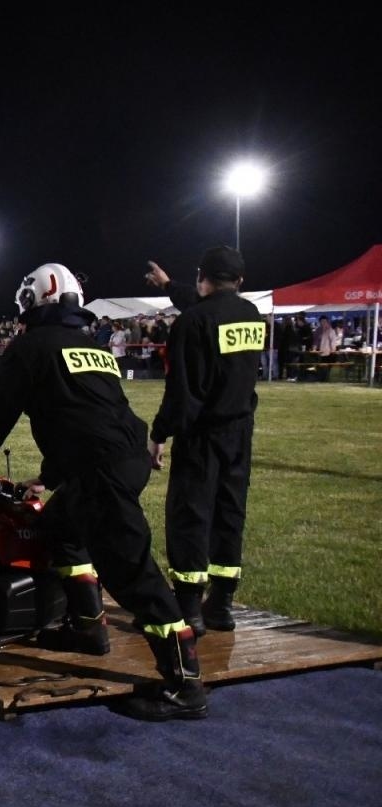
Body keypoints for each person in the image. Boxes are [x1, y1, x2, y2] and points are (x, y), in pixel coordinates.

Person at [0, 262, 206, 721]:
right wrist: (51, 477)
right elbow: (79, 414)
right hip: (121, 457)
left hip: (100, 470)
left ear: (37, 299)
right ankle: (88, 628)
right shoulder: (87, 344)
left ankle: (185, 684)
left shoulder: (29, 348)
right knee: (58, 529)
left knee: (131, 570)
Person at [144, 246, 262, 634]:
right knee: (230, 511)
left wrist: (159, 433)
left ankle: (190, 608)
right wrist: (168, 286)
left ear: (202, 276)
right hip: (240, 431)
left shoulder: (191, 323)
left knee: (190, 515)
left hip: (202, 435)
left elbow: (182, 393)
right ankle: (222, 604)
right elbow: (214, 309)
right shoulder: (251, 315)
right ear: (240, 281)